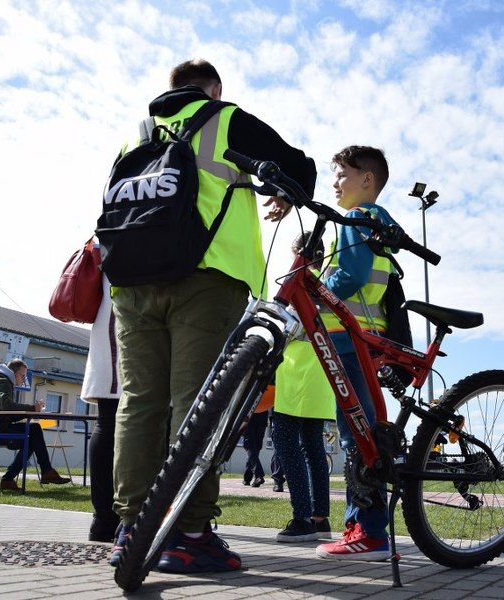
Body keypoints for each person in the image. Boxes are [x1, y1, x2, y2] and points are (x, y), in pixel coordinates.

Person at [107, 58, 317, 574]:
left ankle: (132, 528)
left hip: (132, 282)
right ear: (213, 88)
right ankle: (190, 531)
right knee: (197, 405)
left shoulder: (136, 134)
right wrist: (287, 198)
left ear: (171, 89)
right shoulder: (224, 119)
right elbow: (300, 169)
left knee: (138, 403)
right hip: (206, 276)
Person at [314, 146, 398, 562]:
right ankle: (362, 526)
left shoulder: (356, 218)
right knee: (359, 429)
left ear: (368, 180)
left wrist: (315, 297)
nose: (334, 182)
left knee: (357, 433)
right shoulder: (375, 222)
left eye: (341, 174)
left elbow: (351, 275)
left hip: (350, 335)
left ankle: (367, 531)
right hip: (364, 335)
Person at [271, 231, 335, 542]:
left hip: (298, 374)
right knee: (313, 447)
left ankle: (302, 517)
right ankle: (320, 517)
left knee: (284, 439)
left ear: (299, 252)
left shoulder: (300, 280)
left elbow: (291, 324)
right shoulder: (327, 283)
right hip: (320, 375)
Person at [0, 359, 71, 491]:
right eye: (22, 375)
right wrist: (32, 408)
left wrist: (32, 409)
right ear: (13, 372)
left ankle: (45, 471)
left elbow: (7, 412)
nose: (24, 379)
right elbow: (7, 407)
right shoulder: (1, 382)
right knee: (30, 441)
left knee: (34, 428)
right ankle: (11, 479)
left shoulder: (1, 381)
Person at [81, 272, 122, 543]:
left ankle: (105, 518)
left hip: (118, 301)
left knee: (109, 421)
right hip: (125, 305)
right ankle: (107, 517)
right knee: (110, 421)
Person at [241, 410, 268, 487]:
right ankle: (247, 478)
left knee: (250, 447)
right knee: (255, 449)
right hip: (262, 416)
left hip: (250, 415)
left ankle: (259, 475)